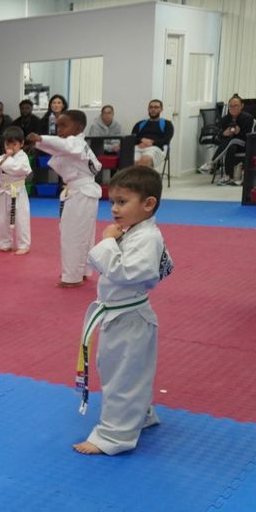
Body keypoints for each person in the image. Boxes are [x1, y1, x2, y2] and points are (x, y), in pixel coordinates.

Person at [71, 166, 173, 456]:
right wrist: (114, 242)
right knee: (124, 372)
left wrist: (106, 241)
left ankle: (114, 437)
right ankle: (140, 416)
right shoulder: (137, 233)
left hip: (130, 318)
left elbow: (130, 272)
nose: (114, 209)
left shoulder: (146, 237)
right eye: (112, 201)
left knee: (123, 378)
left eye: (122, 202)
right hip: (121, 315)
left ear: (148, 204)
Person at [28, 110, 103, 288]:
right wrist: (41, 143)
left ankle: (72, 277)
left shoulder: (75, 143)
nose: (59, 129)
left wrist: (41, 139)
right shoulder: (78, 144)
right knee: (83, 235)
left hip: (81, 193)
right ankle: (82, 271)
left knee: (73, 235)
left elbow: (64, 146)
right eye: (57, 126)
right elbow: (60, 147)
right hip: (84, 192)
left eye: (64, 125)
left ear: (79, 127)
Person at [0, 127, 33, 254]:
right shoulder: (1, 158)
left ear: (21, 144)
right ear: (4, 143)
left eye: (14, 144)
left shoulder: (23, 157)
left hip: (18, 191)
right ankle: (3, 243)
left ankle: (23, 245)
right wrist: (3, 161)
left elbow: (20, 169)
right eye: (8, 143)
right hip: (3, 191)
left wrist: (5, 162)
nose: (11, 147)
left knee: (21, 218)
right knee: (2, 219)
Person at [208, 95, 255, 185]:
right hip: (229, 146)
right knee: (232, 145)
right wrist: (223, 134)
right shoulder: (225, 119)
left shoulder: (248, 118)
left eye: (236, 105)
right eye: (231, 106)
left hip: (243, 144)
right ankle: (228, 176)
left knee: (232, 141)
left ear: (242, 106)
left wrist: (238, 132)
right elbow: (217, 137)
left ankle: (212, 162)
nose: (233, 108)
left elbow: (247, 136)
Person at [131, 99, 174, 169]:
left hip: (155, 148)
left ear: (161, 109)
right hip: (139, 147)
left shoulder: (167, 124)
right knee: (128, 162)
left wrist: (151, 143)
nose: (153, 109)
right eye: (151, 107)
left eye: (156, 107)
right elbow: (132, 138)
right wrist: (142, 140)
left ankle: (142, 179)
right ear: (148, 109)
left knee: (144, 161)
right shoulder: (140, 124)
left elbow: (166, 140)